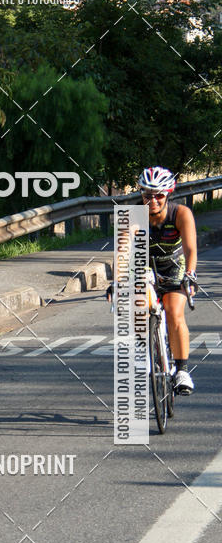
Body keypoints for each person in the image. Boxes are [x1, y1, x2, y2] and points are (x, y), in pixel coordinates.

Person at [108, 167, 197, 394]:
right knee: (138, 304)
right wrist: (117, 282)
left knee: (174, 311)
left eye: (159, 195)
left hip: (173, 265)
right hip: (143, 264)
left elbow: (190, 249)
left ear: (168, 194)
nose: (153, 200)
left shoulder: (181, 213)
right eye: (148, 195)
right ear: (141, 193)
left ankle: (182, 371)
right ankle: (145, 352)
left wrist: (190, 275)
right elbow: (122, 251)